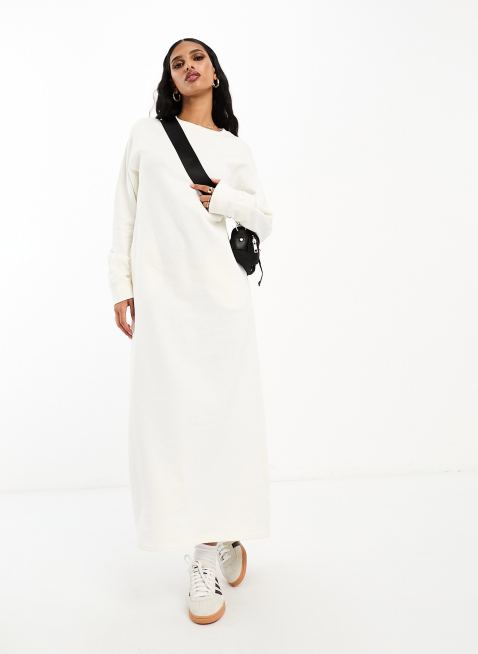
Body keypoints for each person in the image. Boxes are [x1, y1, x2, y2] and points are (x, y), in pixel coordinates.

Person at [107, 37, 273, 625]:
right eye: (177, 63)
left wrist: (223, 197)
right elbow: (124, 211)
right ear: (170, 79)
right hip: (163, 303)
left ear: (215, 72)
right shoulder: (146, 135)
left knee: (223, 421)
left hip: (221, 302)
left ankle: (207, 549)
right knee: (173, 423)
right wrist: (121, 284)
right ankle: (216, 537)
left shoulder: (234, 149)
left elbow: (265, 218)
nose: (188, 67)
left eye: (197, 58)